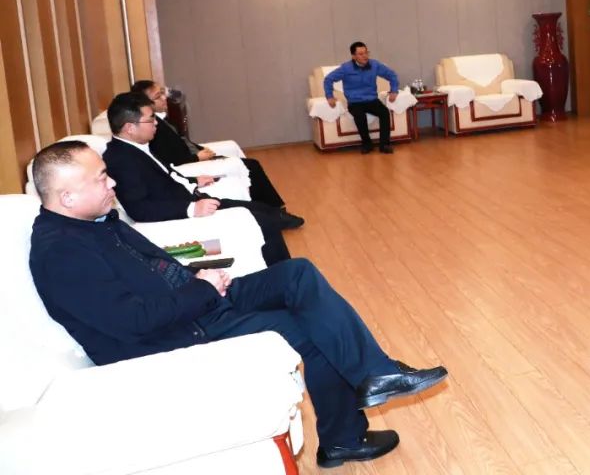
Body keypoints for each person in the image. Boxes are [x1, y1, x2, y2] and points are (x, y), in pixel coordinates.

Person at [29, 140, 448, 466]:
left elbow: (150, 269)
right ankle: (344, 438)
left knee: (297, 273)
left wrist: (199, 277)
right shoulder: (62, 252)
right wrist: (202, 289)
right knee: (308, 330)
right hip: (178, 333)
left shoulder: (92, 222)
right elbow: (133, 321)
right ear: (67, 197)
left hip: (196, 301)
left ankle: (377, 373)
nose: (112, 184)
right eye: (101, 179)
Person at [102, 92, 293, 265]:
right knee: (262, 223)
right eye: (150, 119)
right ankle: (284, 279)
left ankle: (285, 265)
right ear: (130, 128)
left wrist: (193, 181)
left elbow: (166, 174)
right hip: (179, 218)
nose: (156, 123)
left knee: (261, 210)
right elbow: (139, 209)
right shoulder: (120, 160)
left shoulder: (136, 147)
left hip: (191, 200)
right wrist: (192, 208)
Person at [131, 79, 302, 225]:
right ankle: (274, 211)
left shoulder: (159, 121)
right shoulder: (151, 131)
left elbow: (181, 143)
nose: (164, 98)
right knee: (251, 166)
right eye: (158, 96)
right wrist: (197, 157)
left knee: (249, 165)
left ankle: (272, 210)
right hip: (189, 166)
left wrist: (199, 149)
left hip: (193, 162)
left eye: (162, 93)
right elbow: (171, 158)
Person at [324, 42, 400, 154]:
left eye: (366, 53)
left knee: (384, 113)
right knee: (360, 116)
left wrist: (394, 90)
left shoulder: (374, 65)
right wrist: (329, 96)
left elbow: (392, 75)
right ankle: (367, 144)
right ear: (353, 56)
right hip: (355, 102)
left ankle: (384, 145)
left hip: (372, 100)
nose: (365, 56)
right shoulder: (346, 68)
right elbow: (328, 79)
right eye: (360, 54)